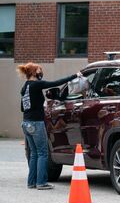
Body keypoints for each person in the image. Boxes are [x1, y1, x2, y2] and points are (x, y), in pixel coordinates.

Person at [18, 62, 80, 190]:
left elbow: (22, 108)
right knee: (42, 153)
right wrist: (75, 75)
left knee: (34, 153)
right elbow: (56, 83)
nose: (41, 73)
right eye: (40, 70)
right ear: (35, 72)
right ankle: (41, 183)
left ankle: (31, 182)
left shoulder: (25, 87)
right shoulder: (36, 84)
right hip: (36, 123)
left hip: (26, 123)